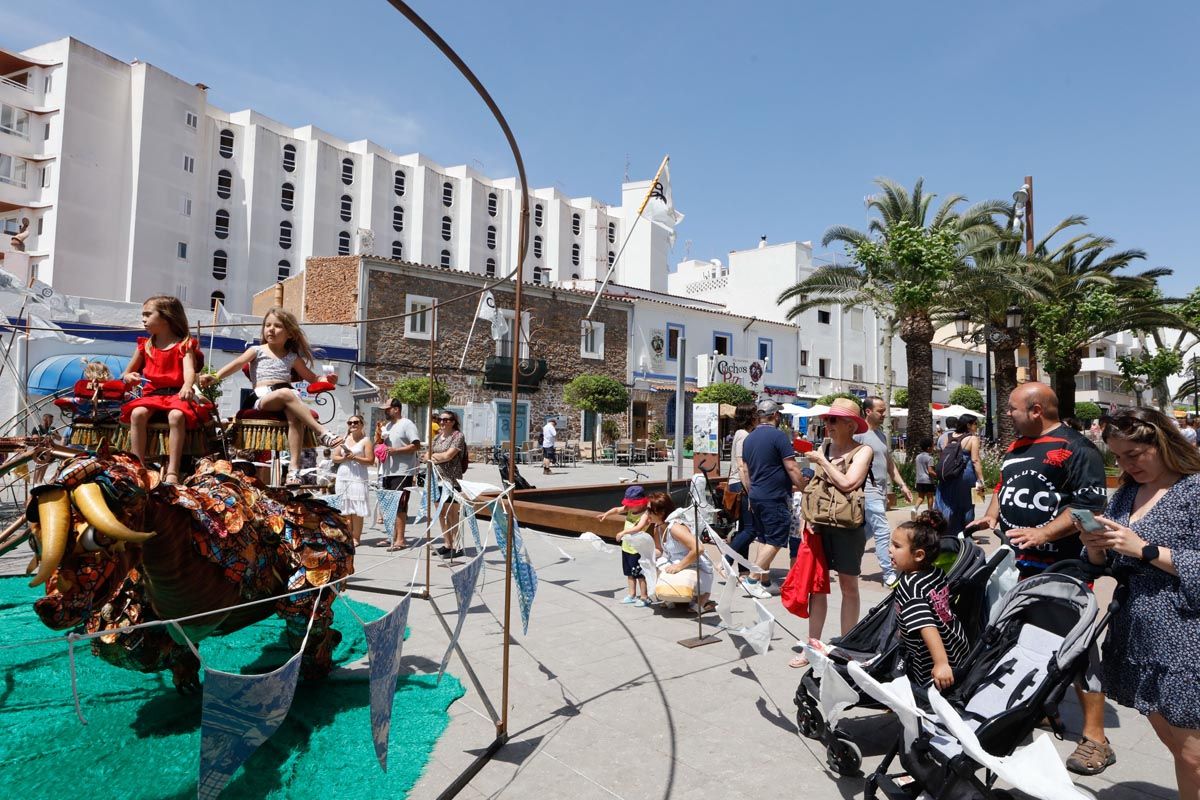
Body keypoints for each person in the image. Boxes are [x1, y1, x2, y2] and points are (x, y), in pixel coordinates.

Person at [971, 382, 1111, 775]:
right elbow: (1005, 485)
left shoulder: (1075, 448)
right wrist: (992, 515)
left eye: (1012, 409)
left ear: (1036, 410)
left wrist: (1043, 533)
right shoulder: (1019, 447)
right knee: (1023, 639)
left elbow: (1089, 505)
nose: (1007, 416)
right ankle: (1040, 707)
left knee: (1076, 644)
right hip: (1022, 565)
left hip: (1065, 567)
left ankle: (1097, 738)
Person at [1078, 408, 1200, 797]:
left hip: (1184, 635)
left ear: (1162, 443)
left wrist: (1144, 549)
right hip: (1136, 631)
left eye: (1133, 454)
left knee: (1193, 753)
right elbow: (1111, 563)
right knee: (1176, 746)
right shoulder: (1128, 492)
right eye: (1118, 456)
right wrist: (1096, 549)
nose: (1125, 464)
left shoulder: (1195, 490)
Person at [200, 306, 343, 484]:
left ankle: (294, 470)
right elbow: (237, 364)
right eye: (267, 325)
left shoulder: (292, 358)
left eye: (277, 326)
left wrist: (328, 380)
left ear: (290, 334)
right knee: (287, 393)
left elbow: (312, 378)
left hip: (288, 397)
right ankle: (322, 432)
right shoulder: (256, 350)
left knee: (295, 417)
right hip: (264, 397)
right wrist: (215, 377)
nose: (271, 329)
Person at [802, 398, 875, 650]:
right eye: (827, 419)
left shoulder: (862, 451)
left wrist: (822, 462)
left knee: (848, 586)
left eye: (833, 420)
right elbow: (816, 487)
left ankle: (847, 647)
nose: (828, 424)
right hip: (820, 525)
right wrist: (808, 516)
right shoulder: (824, 447)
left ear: (850, 425)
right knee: (818, 587)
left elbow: (848, 484)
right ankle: (813, 645)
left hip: (848, 527)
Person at [119, 296, 202, 484]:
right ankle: (138, 466)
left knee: (176, 416)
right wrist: (129, 377)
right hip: (152, 394)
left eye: (148, 314)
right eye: (143, 315)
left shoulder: (184, 345)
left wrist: (187, 386)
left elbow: (189, 370)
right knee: (137, 413)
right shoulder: (145, 345)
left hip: (175, 394)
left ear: (166, 318)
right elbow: (127, 373)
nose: (143, 319)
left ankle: (173, 470)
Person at [891, 510, 969, 690]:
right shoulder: (936, 572)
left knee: (932, 695)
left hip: (931, 655)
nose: (890, 550)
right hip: (955, 642)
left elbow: (927, 626)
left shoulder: (910, 587)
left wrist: (941, 663)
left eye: (896, 546)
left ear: (918, 555)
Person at [739, 398, 808, 600]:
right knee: (776, 539)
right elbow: (792, 467)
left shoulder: (749, 439)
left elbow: (746, 470)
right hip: (773, 496)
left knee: (763, 538)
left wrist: (751, 493)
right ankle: (752, 580)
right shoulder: (779, 437)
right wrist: (805, 488)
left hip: (757, 495)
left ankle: (762, 580)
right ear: (776, 416)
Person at [855, 396, 913, 587]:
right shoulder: (859, 434)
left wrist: (902, 485)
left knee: (865, 532)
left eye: (884, 410)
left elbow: (889, 464)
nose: (884, 414)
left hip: (880, 492)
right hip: (866, 491)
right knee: (881, 530)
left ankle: (846, 560)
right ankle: (889, 573)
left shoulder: (880, 435)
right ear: (868, 411)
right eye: (880, 411)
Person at [645, 491, 715, 614]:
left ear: (661, 512)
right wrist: (645, 553)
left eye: (650, 511)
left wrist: (679, 566)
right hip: (676, 561)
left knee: (694, 609)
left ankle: (702, 598)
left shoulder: (675, 527)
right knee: (654, 563)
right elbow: (659, 550)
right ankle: (674, 595)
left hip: (697, 564)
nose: (647, 514)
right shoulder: (657, 527)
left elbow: (699, 548)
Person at [597, 485, 655, 606]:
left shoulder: (645, 513)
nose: (629, 507)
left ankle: (645, 597)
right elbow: (617, 510)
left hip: (638, 549)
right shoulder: (629, 508)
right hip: (627, 547)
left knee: (640, 574)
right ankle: (632, 594)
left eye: (632, 504)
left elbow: (639, 527)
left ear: (641, 503)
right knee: (629, 573)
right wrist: (606, 514)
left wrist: (623, 532)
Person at [376, 399, 421, 550]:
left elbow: (416, 445)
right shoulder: (387, 426)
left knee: (400, 505)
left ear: (396, 409)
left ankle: (400, 539)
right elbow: (385, 446)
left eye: (387, 409)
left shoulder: (407, 424)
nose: (385, 412)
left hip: (403, 471)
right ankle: (392, 536)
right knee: (389, 505)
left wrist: (397, 451)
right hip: (388, 470)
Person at [423, 408, 465, 558]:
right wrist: (435, 456)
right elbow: (426, 456)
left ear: (453, 422)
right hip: (436, 479)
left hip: (451, 479)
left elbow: (449, 455)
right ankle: (447, 543)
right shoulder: (437, 437)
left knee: (451, 513)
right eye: (440, 419)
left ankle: (456, 545)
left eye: (446, 420)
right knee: (441, 513)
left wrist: (434, 456)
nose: (442, 422)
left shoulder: (457, 436)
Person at [934, 414, 985, 536]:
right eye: (975, 424)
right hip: (965, 474)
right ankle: (965, 534)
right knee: (967, 505)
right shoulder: (973, 438)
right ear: (968, 425)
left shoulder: (948, 437)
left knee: (948, 502)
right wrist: (981, 479)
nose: (976, 426)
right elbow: (975, 460)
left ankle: (946, 532)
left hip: (949, 473)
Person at [725, 403, 757, 574]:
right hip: (741, 484)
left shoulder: (740, 433)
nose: (758, 417)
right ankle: (726, 558)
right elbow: (741, 465)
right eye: (755, 414)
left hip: (736, 483)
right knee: (752, 529)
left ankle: (743, 571)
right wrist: (750, 492)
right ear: (750, 417)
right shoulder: (744, 435)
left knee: (745, 529)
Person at [332, 414, 374, 546]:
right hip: (343, 475)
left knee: (357, 509)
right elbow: (334, 457)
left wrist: (355, 457)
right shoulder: (343, 439)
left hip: (358, 475)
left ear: (362, 424)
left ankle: (356, 537)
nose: (352, 425)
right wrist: (345, 458)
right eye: (350, 423)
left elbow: (370, 461)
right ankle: (347, 535)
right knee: (345, 507)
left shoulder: (366, 441)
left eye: (355, 422)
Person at [913, 438, 936, 514]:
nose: (933, 448)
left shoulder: (918, 457)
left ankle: (914, 509)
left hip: (919, 480)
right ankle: (930, 511)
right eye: (933, 446)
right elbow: (930, 471)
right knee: (930, 496)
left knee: (920, 497)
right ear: (929, 448)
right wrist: (937, 476)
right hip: (928, 480)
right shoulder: (930, 458)